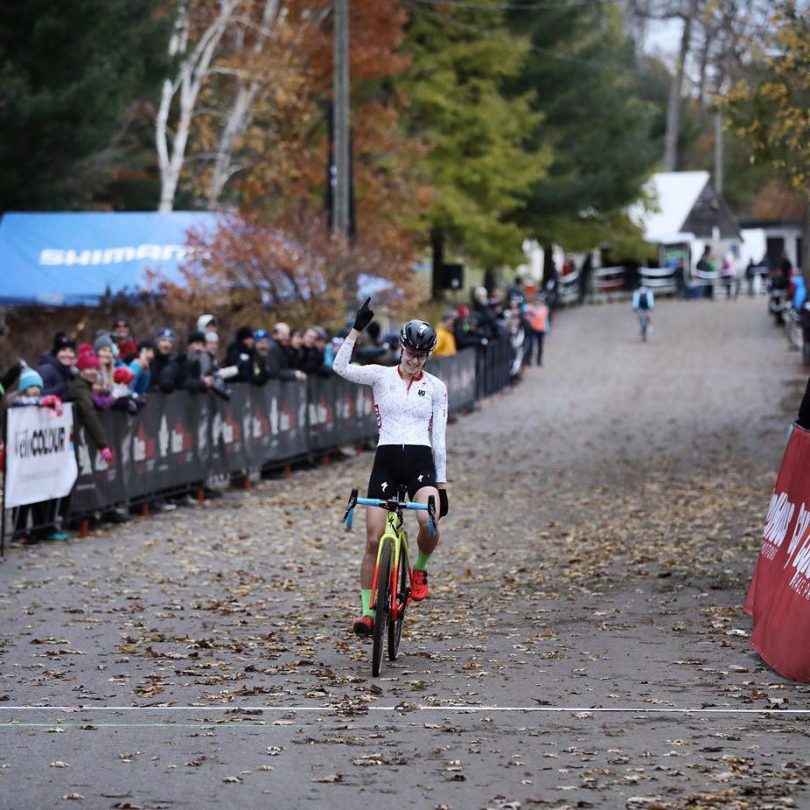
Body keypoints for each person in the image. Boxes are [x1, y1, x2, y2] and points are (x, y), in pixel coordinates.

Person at [333, 298, 449, 636]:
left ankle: (420, 569)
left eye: (421, 355)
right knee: (372, 539)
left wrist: (441, 485)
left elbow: (438, 437)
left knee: (428, 523)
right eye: (410, 353)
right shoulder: (380, 376)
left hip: (420, 461)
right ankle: (368, 611)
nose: (414, 360)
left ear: (428, 356)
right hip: (385, 461)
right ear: (401, 348)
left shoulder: (436, 388)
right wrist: (355, 330)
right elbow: (341, 367)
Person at [524, 297, 548, 366]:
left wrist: (534, 313)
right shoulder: (531, 308)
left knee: (540, 345)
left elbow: (541, 316)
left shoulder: (544, 308)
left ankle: (539, 361)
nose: (538, 302)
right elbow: (527, 315)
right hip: (533, 328)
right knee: (531, 345)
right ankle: (528, 360)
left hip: (541, 329)